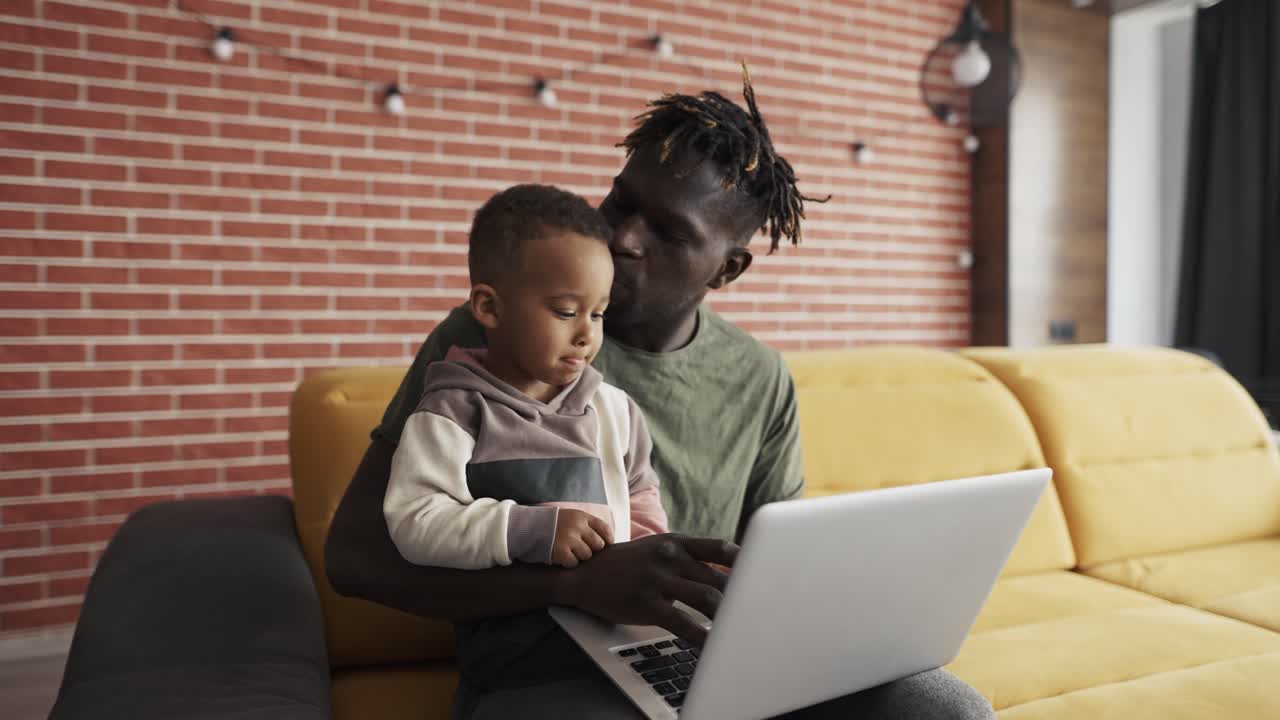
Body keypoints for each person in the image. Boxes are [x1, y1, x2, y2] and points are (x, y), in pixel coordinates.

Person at [326, 68, 995, 719]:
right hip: (548, 672)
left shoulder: (760, 379)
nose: (621, 238)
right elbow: (356, 558)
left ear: (728, 269)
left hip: (704, 660)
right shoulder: (492, 336)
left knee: (943, 708)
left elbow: (774, 571)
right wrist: (574, 581)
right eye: (620, 203)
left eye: (669, 232)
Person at [384, 184, 669, 574]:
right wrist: (529, 530)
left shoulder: (616, 411)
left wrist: (654, 565)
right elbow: (416, 520)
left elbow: (641, 503)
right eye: (566, 312)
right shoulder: (453, 411)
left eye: (598, 314)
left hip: (613, 625)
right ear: (489, 308)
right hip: (512, 629)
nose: (587, 334)